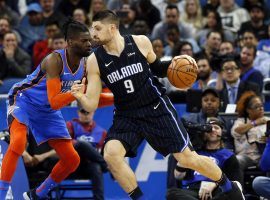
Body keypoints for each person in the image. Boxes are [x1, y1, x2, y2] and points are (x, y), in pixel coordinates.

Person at [71, 10, 245, 200]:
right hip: (127, 114)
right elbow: (91, 104)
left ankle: (230, 187)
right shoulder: (95, 60)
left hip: (155, 106)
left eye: (97, 28)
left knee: (187, 159)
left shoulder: (140, 42)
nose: (93, 33)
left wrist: (179, 64)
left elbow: (158, 69)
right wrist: (80, 95)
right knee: (111, 154)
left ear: (112, 28)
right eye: (92, 28)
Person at [0, 19, 92, 200]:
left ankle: (36, 194)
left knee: (72, 160)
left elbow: (89, 99)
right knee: (18, 143)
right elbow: (56, 101)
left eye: (89, 40)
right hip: (24, 100)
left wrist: (117, 98)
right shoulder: (54, 60)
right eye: (84, 40)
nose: (89, 44)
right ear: (71, 42)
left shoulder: (87, 65)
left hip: (47, 111)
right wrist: (76, 93)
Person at [167, 117, 242, 200]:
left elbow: (236, 183)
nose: (212, 130)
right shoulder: (194, 153)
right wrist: (185, 157)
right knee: (171, 193)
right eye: (209, 128)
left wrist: (215, 183)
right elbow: (179, 176)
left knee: (232, 193)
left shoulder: (228, 155)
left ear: (222, 132)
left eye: (216, 128)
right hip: (193, 190)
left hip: (217, 190)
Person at [66, 108, 108, 200]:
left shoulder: (102, 132)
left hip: (88, 167)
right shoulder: (70, 125)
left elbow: (104, 152)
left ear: (93, 112)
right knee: (82, 144)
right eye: (82, 112)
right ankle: (107, 166)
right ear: (78, 112)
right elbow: (66, 144)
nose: (85, 115)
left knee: (96, 167)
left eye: (88, 112)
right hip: (71, 166)